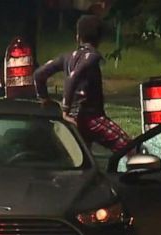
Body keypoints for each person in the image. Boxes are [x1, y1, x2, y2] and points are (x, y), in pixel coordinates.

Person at [33, 15, 131, 153]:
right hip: (92, 119)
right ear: (99, 39)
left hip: (74, 122)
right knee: (128, 147)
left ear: (78, 37)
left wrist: (44, 99)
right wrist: (65, 111)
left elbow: (38, 75)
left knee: (81, 155)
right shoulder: (92, 56)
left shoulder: (66, 57)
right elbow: (73, 77)